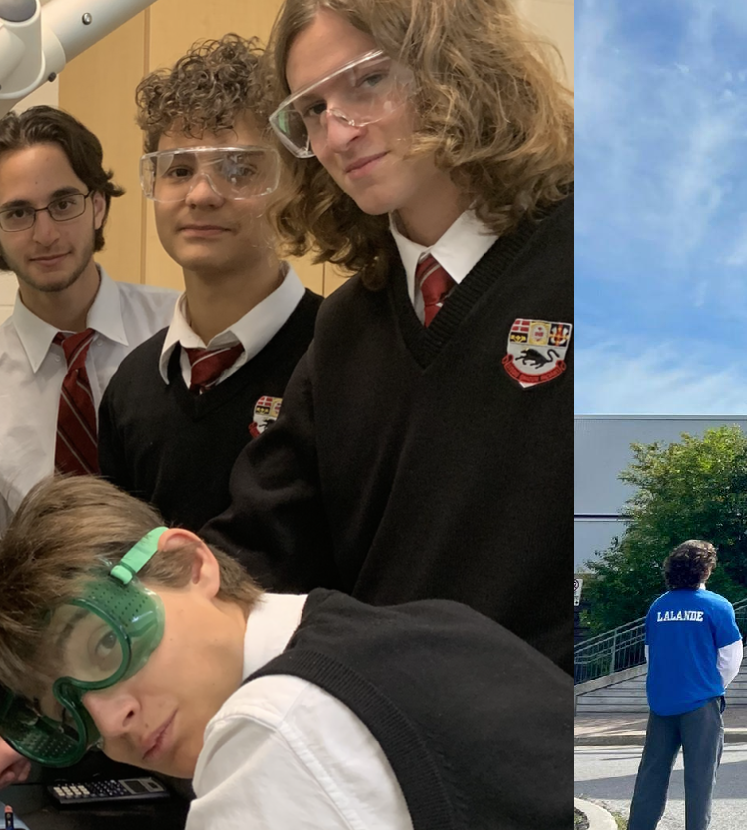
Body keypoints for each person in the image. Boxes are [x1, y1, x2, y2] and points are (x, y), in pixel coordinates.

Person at [203, 0, 578, 670]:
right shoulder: (347, 325)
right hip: (391, 742)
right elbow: (262, 547)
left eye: (367, 82)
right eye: (312, 110)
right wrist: (99, 653)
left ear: (456, 67)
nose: (338, 135)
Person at [0, 475, 564, 827]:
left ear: (186, 562)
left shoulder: (274, 726)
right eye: (68, 717)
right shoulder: (427, 630)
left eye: (101, 646)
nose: (107, 722)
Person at [0, 105, 180, 633]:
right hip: (54, 641)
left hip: (181, 611)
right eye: (19, 213)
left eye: (63, 203)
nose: (44, 234)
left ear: (97, 206)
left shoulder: (179, 330)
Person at [99, 35, 321, 534]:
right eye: (178, 170)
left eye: (238, 168)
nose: (201, 194)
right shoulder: (131, 389)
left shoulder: (344, 356)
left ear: (294, 183)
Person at [629, 541, 737, 830]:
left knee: (651, 775)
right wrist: (711, 685)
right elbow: (730, 657)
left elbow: (651, 655)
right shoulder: (717, 605)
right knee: (700, 779)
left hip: (662, 702)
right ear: (705, 570)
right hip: (701, 703)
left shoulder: (658, 607)